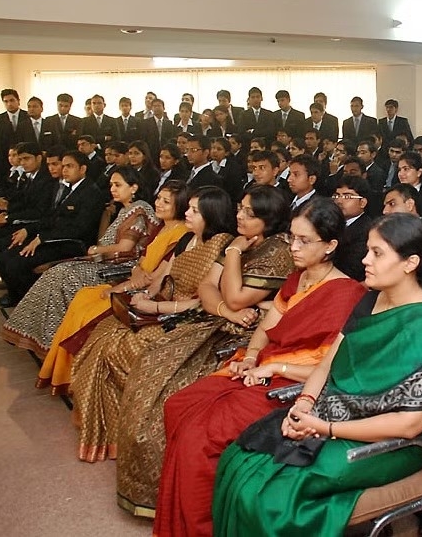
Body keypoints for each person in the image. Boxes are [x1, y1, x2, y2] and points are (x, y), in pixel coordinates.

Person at [212, 213, 422, 537]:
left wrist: (325, 428)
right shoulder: (371, 299)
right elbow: (326, 364)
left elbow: (410, 424)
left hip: (395, 442)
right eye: (368, 250)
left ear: (410, 263)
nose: (365, 260)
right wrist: (304, 403)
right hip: (332, 414)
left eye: (377, 253)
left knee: (270, 496)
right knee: (240, 459)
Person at [152, 197, 366, 537]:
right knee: (178, 404)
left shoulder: (347, 294)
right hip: (260, 369)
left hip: (291, 387)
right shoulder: (296, 279)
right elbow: (267, 327)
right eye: (292, 237)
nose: (293, 247)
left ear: (330, 246)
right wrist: (252, 356)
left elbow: (329, 368)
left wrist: (273, 367)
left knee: (200, 435)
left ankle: (204, 526)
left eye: (304, 241)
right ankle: (189, 513)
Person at [116, 185, 296, 517]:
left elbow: (237, 297)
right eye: (240, 208)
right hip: (218, 319)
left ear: (269, 220)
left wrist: (233, 256)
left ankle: (169, 487)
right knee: (152, 364)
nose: (240, 216)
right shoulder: (239, 240)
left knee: (174, 386)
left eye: (249, 213)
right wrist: (225, 309)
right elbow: (207, 286)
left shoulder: (277, 250)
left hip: (248, 333)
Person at [70, 186, 237, 463]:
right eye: (189, 208)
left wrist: (156, 307)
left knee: (119, 347)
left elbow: (202, 302)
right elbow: (163, 275)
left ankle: (123, 432)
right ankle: (110, 430)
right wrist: (146, 295)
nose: (187, 213)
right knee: (104, 333)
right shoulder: (187, 239)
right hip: (163, 306)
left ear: (212, 215)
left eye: (194, 211)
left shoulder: (220, 246)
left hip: (192, 317)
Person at [34, 181, 190, 396]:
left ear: (179, 205)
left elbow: (155, 278)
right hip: (135, 279)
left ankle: (74, 376)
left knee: (90, 310)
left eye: (166, 201)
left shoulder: (181, 234)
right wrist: (136, 272)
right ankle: (61, 371)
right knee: (82, 297)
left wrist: (124, 287)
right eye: (158, 199)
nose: (159, 204)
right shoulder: (161, 227)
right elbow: (140, 264)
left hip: (145, 290)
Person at [2, 166, 160, 353]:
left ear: (133, 187)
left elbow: (125, 248)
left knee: (63, 275)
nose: (112, 189)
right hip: (107, 261)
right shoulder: (125, 209)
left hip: (122, 268)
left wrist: (96, 249)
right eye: (111, 185)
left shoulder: (138, 210)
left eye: (118, 185)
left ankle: (57, 341)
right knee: (55, 273)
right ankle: (46, 336)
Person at [0, 150, 106, 307]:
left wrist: (42, 238)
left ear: (82, 169)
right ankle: (18, 297)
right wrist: (29, 230)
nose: (64, 170)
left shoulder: (91, 192)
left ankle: (35, 303)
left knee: (16, 263)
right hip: (54, 237)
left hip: (72, 244)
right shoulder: (70, 189)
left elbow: (80, 229)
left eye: (70, 166)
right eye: (64, 166)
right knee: (3, 257)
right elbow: (52, 218)